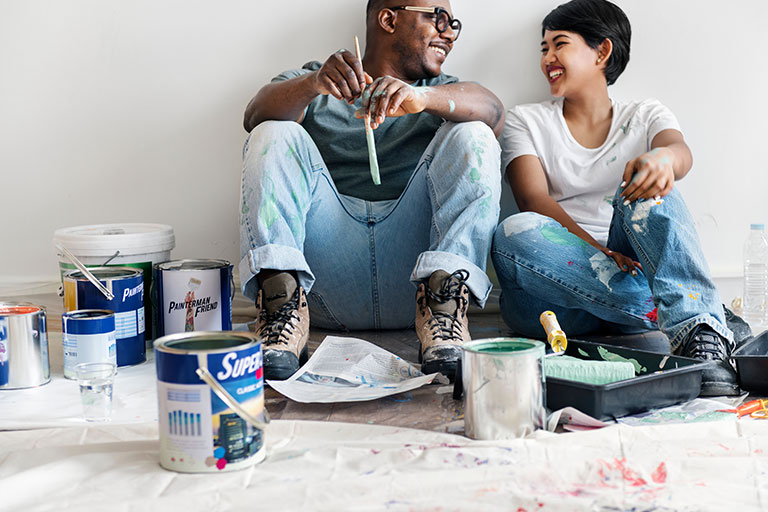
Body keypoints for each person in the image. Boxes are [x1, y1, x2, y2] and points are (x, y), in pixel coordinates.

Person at [240, 0, 504, 381]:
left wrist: (422, 100)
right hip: (324, 285)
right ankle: (281, 313)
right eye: (438, 18)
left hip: (415, 288)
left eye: (453, 24)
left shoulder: (442, 92)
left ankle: (446, 316)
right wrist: (313, 85)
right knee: (273, 131)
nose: (449, 32)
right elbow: (253, 116)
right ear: (388, 18)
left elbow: (493, 111)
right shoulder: (315, 82)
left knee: (473, 132)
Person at [491, 0, 743, 396]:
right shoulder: (526, 119)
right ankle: (701, 317)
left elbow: (680, 152)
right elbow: (533, 198)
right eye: (543, 48)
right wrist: (600, 252)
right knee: (514, 232)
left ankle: (698, 325)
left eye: (559, 44)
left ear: (602, 52)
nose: (548, 58)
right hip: (549, 301)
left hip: (630, 269)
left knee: (649, 187)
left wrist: (662, 160)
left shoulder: (645, 115)